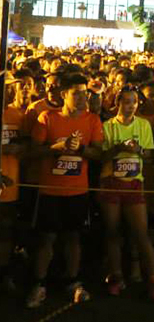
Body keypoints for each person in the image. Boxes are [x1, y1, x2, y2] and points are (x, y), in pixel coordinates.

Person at [27, 73, 103, 309]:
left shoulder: (92, 120)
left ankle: (73, 281)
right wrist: (56, 147)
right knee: (46, 238)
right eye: (76, 93)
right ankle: (38, 284)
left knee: (74, 237)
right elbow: (32, 151)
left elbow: (98, 153)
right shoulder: (47, 118)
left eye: (85, 93)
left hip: (77, 191)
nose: (82, 98)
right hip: (49, 191)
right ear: (63, 95)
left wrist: (80, 149)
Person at [99, 85, 154, 302]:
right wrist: (119, 148)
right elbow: (101, 156)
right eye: (127, 102)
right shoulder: (108, 126)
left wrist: (139, 150)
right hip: (111, 182)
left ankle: (153, 281)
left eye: (134, 102)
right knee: (113, 232)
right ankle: (116, 277)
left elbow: (150, 155)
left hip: (134, 184)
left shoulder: (143, 125)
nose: (131, 106)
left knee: (142, 234)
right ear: (118, 103)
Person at [0, 70, 34, 291]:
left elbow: (27, 144)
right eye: (7, 87)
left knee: (6, 231)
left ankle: (4, 274)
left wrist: (19, 147)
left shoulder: (17, 115)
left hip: (11, 184)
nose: (11, 91)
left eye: (12, 87)